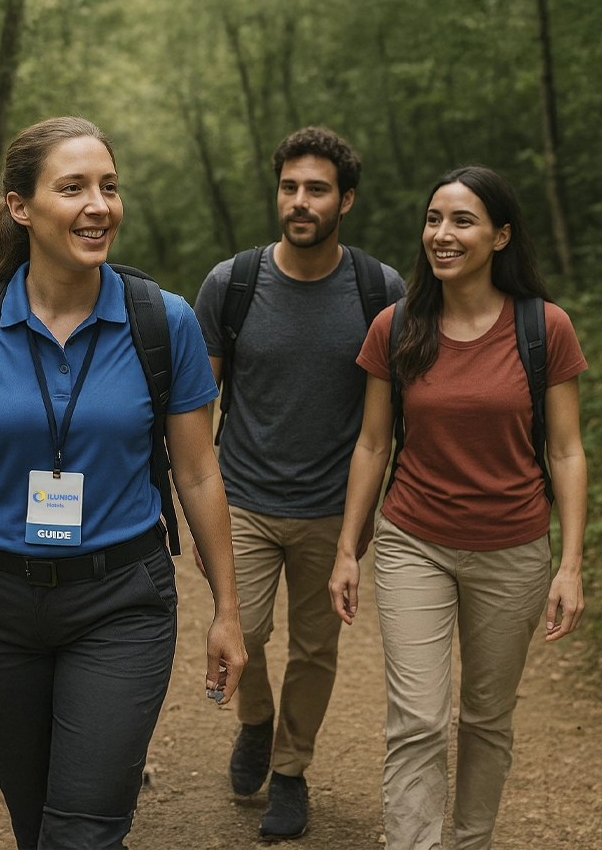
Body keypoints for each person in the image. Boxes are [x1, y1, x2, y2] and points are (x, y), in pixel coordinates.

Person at [0, 117, 246, 850]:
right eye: (73, 187)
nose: (99, 205)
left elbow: (199, 471)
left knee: (83, 828)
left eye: (109, 188)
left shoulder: (161, 321)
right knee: (32, 810)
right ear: (21, 206)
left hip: (121, 601)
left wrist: (227, 610)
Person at [329, 166, 587, 850]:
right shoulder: (398, 325)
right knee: (418, 719)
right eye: (434, 219)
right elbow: (373, 444)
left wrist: (570, 566)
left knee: (486, 718)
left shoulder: (545, 328)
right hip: (415, 541)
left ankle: (472, 839)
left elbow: (565, 452)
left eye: (462, 221)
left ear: (500, 236)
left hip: (515, 549)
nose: (442, 235)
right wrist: (347, 550)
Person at [194, 126, 406, 841]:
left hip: (332, 510)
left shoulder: (382, 291)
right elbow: (196, 408)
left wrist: (366, 522)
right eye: (289, 186)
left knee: (316, 650)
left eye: (316, 189)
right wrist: (195, 511)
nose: (300, 201)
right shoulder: (233, 283)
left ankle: (290, 770)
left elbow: (393, 419)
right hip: (243, 500)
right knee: (243, 628)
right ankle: (256, 721)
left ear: (344, 199)